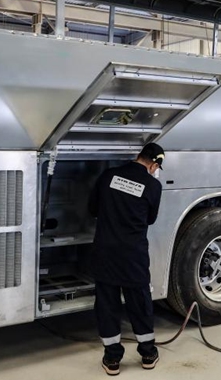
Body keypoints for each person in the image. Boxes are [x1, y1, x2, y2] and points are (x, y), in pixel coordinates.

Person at [89, 143, 165, 376]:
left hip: (105, 251)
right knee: (139, 302)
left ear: (138, 156)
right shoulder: (153, 185)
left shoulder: (108, 175)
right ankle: (148, 354)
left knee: (107, 304)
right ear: (154, 165)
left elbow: (92, 208)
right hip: (134, 254)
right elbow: (150, 219)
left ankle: (112, 359)